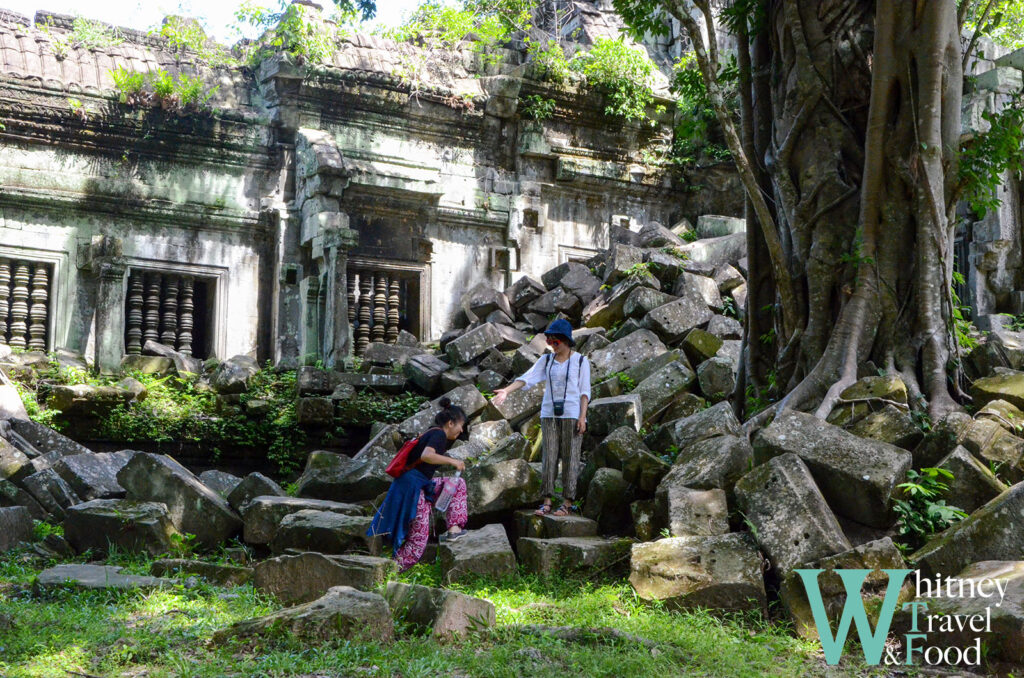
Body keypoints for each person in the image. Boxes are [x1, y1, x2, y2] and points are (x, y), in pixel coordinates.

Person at [491, 318, 591, 517]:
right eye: (549, 341)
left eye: (556, 342)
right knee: (549, 457)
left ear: (565, 341)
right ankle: (546, 501)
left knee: (571, 458)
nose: (552, 345)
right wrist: (506, 391)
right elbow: (527, 378)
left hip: (572, 414)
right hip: (549, 414)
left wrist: (582, 417)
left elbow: (584, 391)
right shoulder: (546, 360)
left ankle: (567, 503)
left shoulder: (580, 361)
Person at [367, 398, 468, 571]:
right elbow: (426, 456)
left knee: (458, 484)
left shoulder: (433, 433)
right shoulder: (438, 435)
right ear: (450, 423)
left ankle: (454, 529)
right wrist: (453, 461)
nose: (461, 431)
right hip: (412, 489)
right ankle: (389, 571)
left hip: (419, 485)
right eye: (461, 426)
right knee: (418, 541)